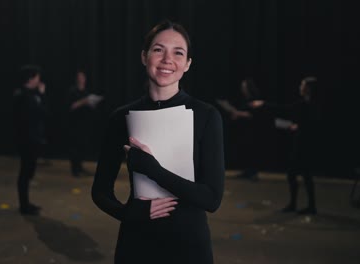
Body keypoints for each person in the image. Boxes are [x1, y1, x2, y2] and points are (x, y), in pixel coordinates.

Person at [91, 20, 225, 264]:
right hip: (137, 242)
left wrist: (152, 170)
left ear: (187, 64)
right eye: (158, 49)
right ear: (144, 57)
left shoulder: (206, 115)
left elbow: (211, 199)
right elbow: (100, 191)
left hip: (188, 245)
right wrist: (129, 213)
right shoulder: (121, 117)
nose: (167, 59)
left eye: (178, 52)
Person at [251, 76, 320, 215]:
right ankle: (304, 205)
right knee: (302, 175)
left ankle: (301, 205)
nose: (300, 87)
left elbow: (285, 109)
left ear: (308, 89)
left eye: (302, 85)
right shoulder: (307, 103)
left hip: (303, 144)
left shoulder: (308, 104)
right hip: (304, 143)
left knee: (297, 174)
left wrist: (263, 103)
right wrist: (297, 126)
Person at [13, 64, 47, 215]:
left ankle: (26, 203)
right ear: (31, 78)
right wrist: (41, 95)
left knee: (28, 172)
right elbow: (35, 114)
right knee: (25, 172)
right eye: (37, 77)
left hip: (32, 139)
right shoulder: (23, 95)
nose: (39, 80)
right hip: (27, 140)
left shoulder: (30, 94)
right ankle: (24, 205)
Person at [216, 78, 262, 181]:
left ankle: (253, 172)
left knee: (251, 150)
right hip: (244, 129)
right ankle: (247, 171)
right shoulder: (245, 100)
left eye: (244, 87)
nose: (243, 89)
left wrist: (237, 113)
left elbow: (251, 115)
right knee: (245, 149)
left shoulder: (255, 100)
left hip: (252, 130)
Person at [66, 70, 103, 177]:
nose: (81, 79)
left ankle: (80, 167)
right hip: (74, 123)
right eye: (79, 77)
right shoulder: (73, 91)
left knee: (82, 145)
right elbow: (71, 106)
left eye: (83, 77)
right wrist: (84, 101)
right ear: (76, 79)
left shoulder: (86, 91)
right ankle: (75, 170)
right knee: (75, 146)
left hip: (85, 123)